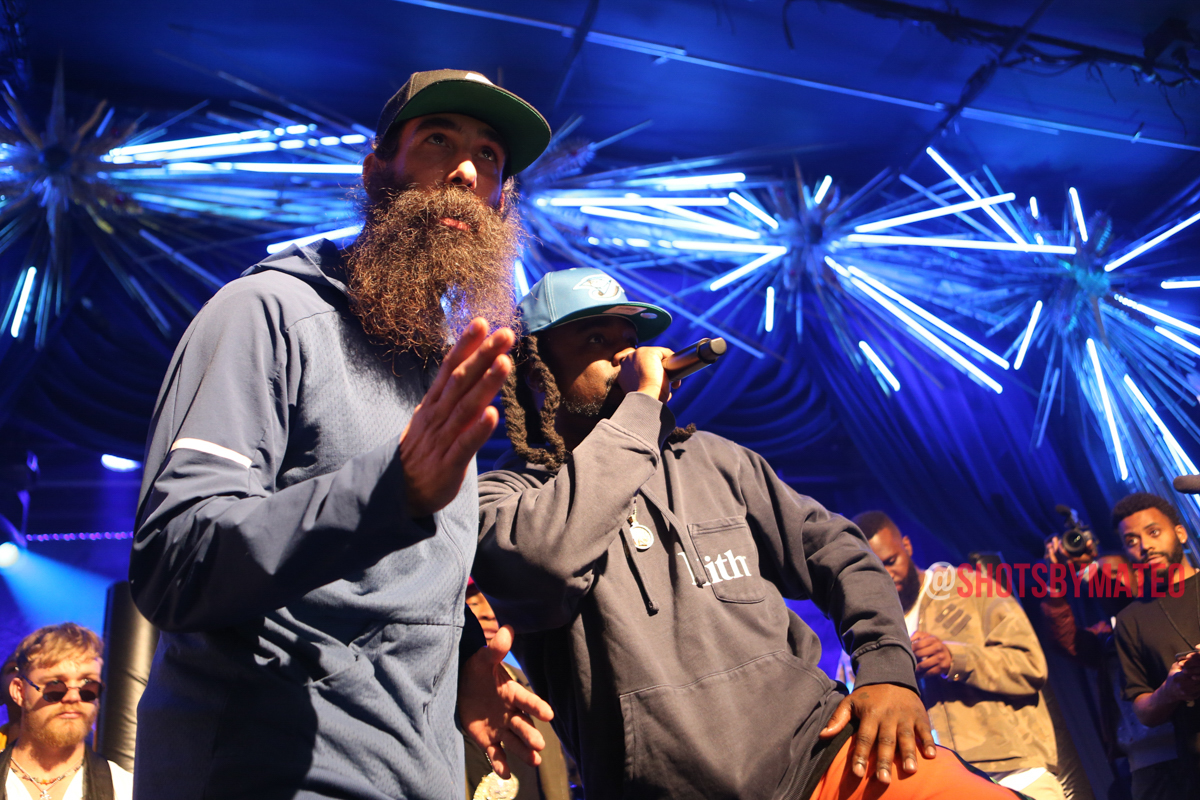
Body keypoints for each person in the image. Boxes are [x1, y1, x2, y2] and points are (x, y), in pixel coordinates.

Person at [129, 69, 555, 800]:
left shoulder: (442, 374)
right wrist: (389, 491)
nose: (464, 170)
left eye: (488, 156)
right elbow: (175, 559)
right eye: (438, 140)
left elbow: (375, 596)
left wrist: (461, 664)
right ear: (375, 169)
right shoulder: (265, 313)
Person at [473, 266, 1022, 800]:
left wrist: (887, 669)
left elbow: (838, 550)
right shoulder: (504, 500)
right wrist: (638, 409)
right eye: (596, 339)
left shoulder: (715, 461)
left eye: (629, 339)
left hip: (822, 752)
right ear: (536, 371)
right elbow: (543, 562)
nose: (627, 355)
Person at [858, 511, 1066, 800]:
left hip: (1018, 776)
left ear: (907, 545)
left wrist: (954, 660)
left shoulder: (970, 588)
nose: (887, 575)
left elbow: (1031, 666)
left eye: (891, 561)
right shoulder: (869, 631)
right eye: (874, 570)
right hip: (944, 786)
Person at [1039, 538, 1181, 798]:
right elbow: (1062, 638)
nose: (1104, 581)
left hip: (1186, 746)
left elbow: (1121, 599)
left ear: (1139, 577)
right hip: (1143, 763)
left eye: (1113, 574)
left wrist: (1088, 568)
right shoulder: (1106, 637)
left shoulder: (1159, 615)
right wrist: (1056, 579)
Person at [1113, 492, 1200, 793]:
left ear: (1180, 533)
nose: (1145, 546)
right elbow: (1143, 709)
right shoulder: (1130, 620)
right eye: (1131, 540)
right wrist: (1169, 691)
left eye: (1153, 532)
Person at [463, 581, 573, 800]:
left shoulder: (536, 687)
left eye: (493, 603)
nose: (488, 613)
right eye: (473, 603)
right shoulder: (433, 696)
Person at [2, 623, 132, 800]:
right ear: (20, 692)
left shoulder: (126, 789)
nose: (73, 697)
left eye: (88, 686)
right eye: (55, 686)